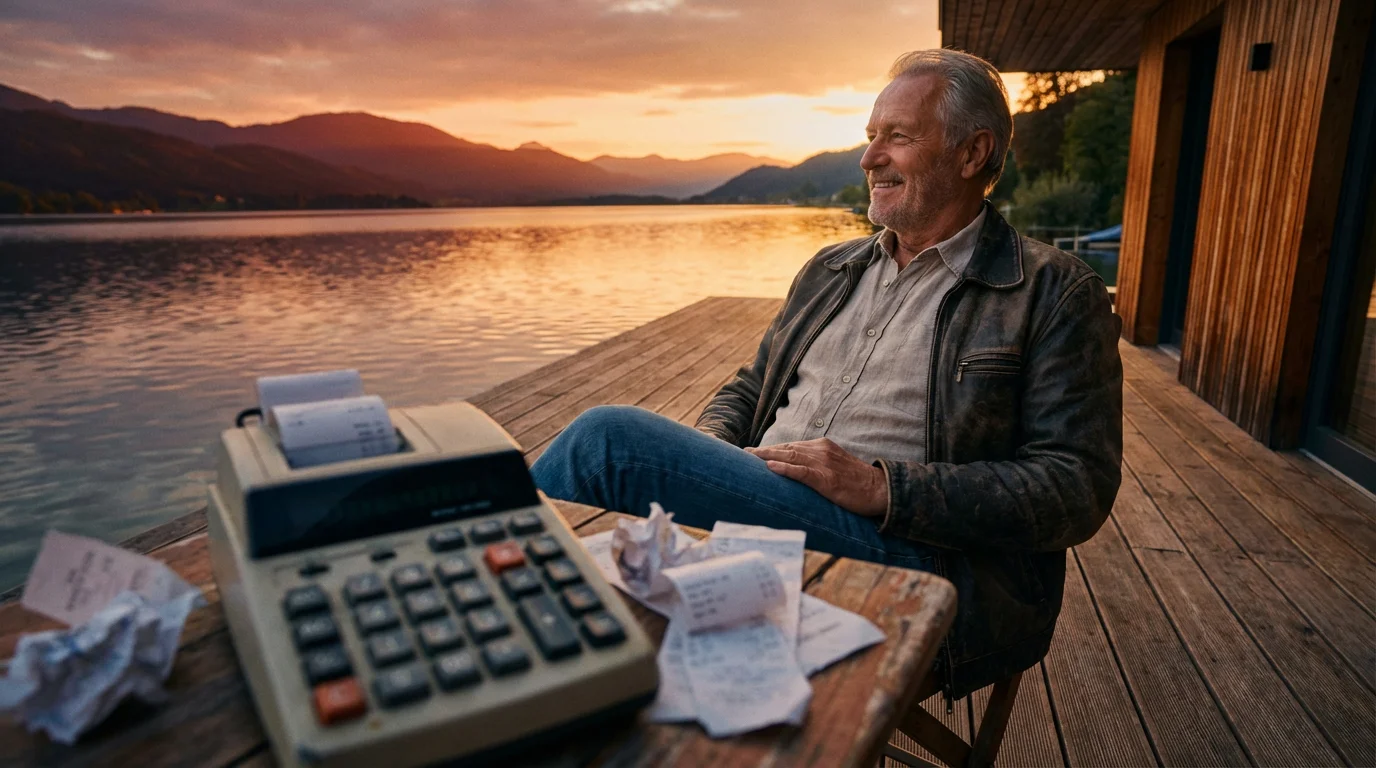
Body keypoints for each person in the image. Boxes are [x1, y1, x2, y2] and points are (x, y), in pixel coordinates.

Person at [531, 49, 1123, 701]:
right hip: (763, 510)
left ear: (972, 153)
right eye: (870, 136)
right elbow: (750, 388)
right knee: (612, 509)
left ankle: (482, 612)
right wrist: (713, 465)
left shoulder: (1052, 291)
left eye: (897, 137)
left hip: (914, 553)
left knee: (607, 443)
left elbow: (1076, 487)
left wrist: (884, 488)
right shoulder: (829, 269)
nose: (869, 158)